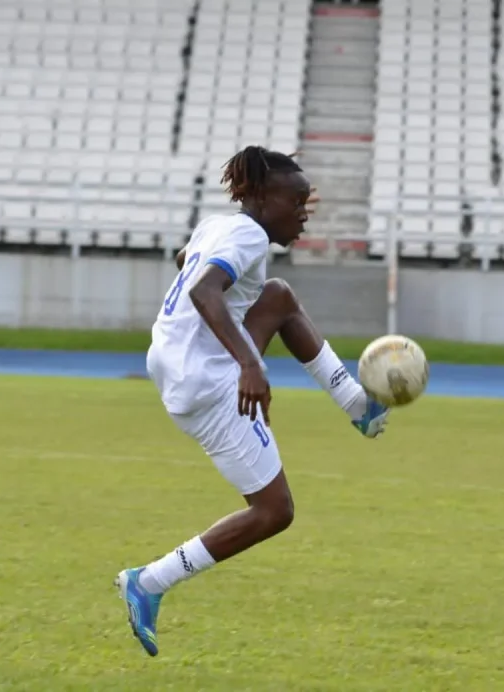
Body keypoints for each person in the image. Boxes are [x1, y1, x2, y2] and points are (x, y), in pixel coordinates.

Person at [115, 145, 390, 657]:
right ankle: (149, 581)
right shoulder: (246, 234)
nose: (304, 212)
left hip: (173, 361)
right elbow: (204, 291)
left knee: (279, 296)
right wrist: (250, 363)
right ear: (263, 198)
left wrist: (239, 346)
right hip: (205, 380)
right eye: (297, 201)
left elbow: (188, 265)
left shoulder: (218, 226)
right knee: (273, 511)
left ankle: (358, 405)